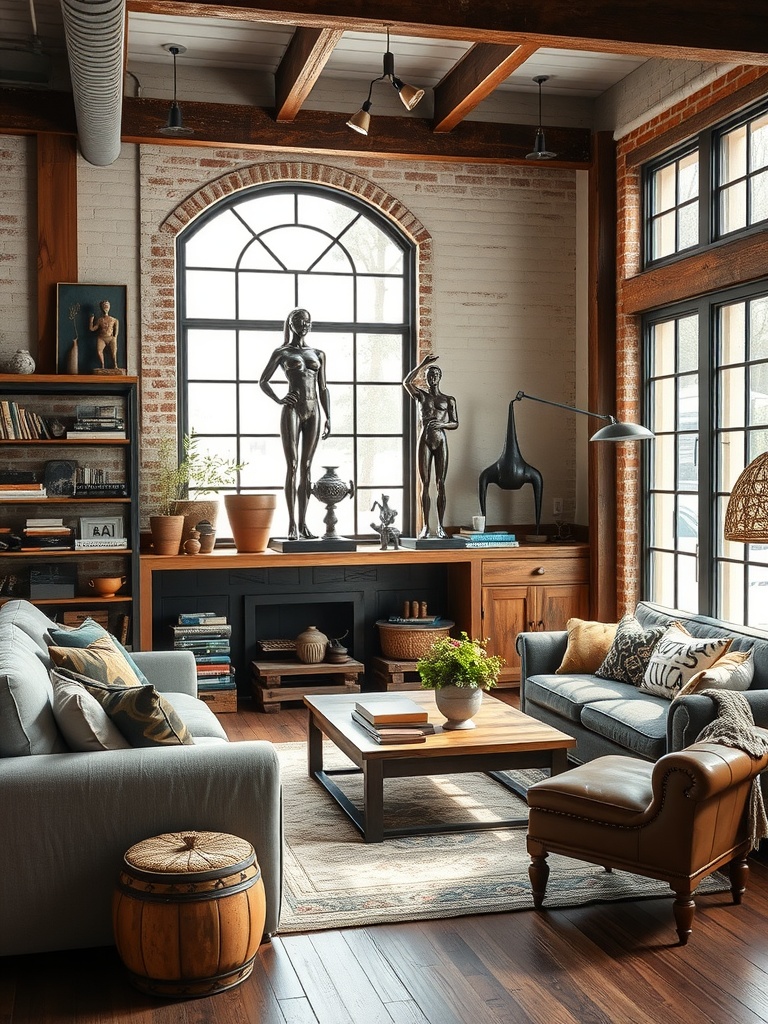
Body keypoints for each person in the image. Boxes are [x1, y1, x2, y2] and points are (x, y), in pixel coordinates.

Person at [259, 308, 331, 540]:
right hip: (292, 410)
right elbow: (263, 381)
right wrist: (279, 398)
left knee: (307, 466)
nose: (304, 325)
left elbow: (323, 387)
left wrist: (329, 416)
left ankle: (304, 524)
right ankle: (291, 524)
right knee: (292, 465)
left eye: (308, 322)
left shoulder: (319, 353)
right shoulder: (282, 352)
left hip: (314, 411)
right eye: (299, 321)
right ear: (290, 324)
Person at [403, 354, 458, 538]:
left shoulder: (448, 399)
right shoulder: (421, 396)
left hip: (441, 438)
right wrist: (424, 364)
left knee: (441, 483)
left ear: (439, 377)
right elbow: (406, 382)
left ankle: (441, 526)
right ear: (425, 379)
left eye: (435, 375)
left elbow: (455, 423)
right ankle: (426, 526)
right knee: (424, 484)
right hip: (425, 438)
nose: (432, 378)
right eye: (429, 375)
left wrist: (442, 425)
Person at [88, 299, 120, 370]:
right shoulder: (100, 320)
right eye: (104, 305)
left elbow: (116, 330)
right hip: (101, 338)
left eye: (107, 305)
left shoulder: (114, 320)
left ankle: (115, 365)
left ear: (109, 307)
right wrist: (91, 321)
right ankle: (102, 365)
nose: (105, 306)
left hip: (111, 338)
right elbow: (92, 329)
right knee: (99, 351)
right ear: (101, 307)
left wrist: (115, 337)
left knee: (114, 353)